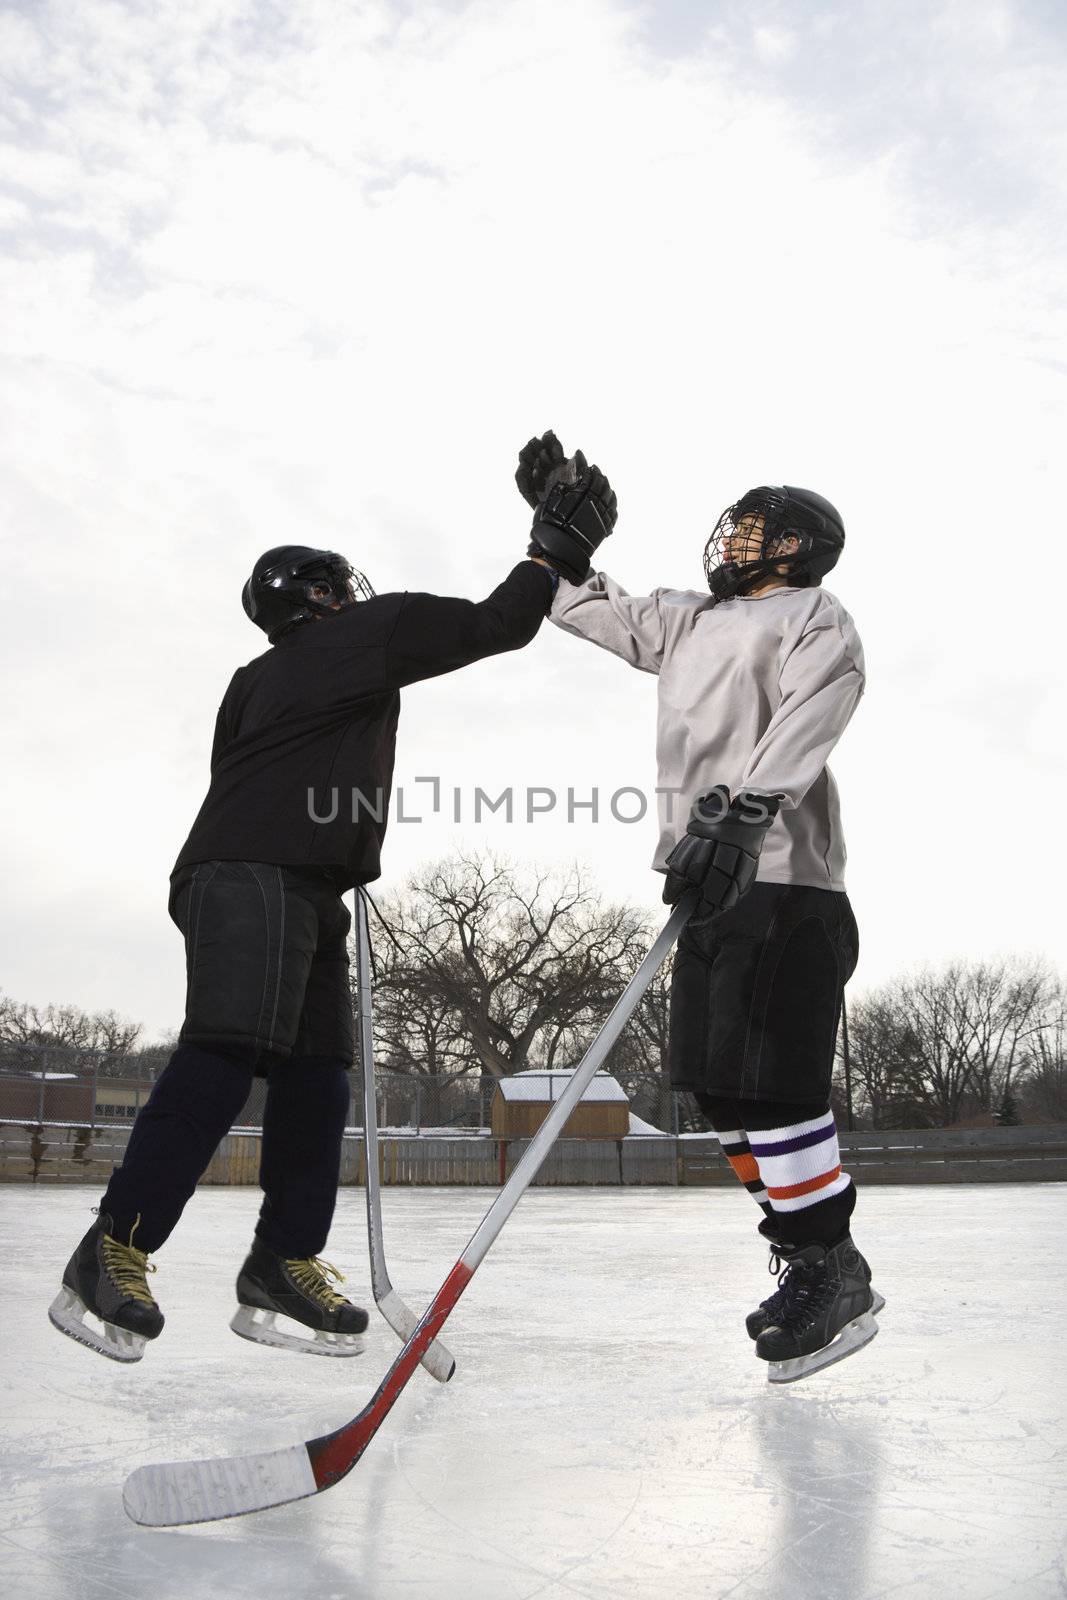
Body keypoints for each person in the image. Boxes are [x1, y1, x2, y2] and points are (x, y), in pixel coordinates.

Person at [49, 473, 617, 1364]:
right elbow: (495, 623)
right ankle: (112, 1246)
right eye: (337, 586)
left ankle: (282, 1260)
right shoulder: (365, 631)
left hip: (290, 881)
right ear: (320, 596)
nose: (352, 594)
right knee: (226, 1052)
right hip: (256, 876)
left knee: (318, 1076)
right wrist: (550, 553)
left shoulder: (255, 678)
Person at [516, 431, 881, 1383]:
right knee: (717, 1091)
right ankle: (814, 1253)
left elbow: (813, 715)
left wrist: (743, 817)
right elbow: (587, 609)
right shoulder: (685, 620)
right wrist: (555, 543)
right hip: (703, 879)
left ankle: (825, 1266)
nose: (734, 540)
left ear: (799, 547)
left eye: (755, 529)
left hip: (782, 881)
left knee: (775, 1086)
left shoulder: (815, 617)